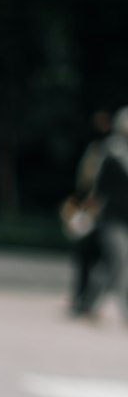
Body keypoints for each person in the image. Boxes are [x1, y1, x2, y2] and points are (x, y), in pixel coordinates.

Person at [62, 110, 109, 316]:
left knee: (93, 259)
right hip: (92, 210)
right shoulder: (98, 148)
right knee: (86, 258)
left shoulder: (106, 149)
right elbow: (86, 181)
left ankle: (84, 301)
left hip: (98, 211)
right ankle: (81, 300)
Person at [93, 107, 128, 322]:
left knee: (112, 265)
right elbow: (100, 187)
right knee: (121, 261)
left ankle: (89, 304)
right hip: (113, 218)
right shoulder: (113, 151)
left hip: (124, 218)